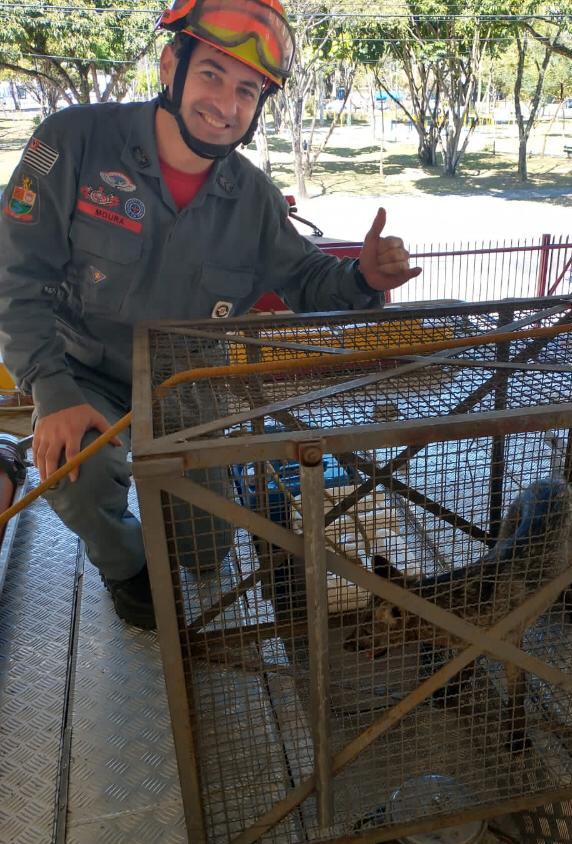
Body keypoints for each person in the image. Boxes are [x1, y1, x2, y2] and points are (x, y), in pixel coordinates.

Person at [0, 0, 421, 630]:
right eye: (212, 76)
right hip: (83, 369)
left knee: (206, 556)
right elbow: (15, 274)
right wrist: (51, 390)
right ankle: (124, 568)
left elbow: (309, 280)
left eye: (247, 91)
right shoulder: (74, 143)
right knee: (74, 471)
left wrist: (363, 277)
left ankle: (182, 525)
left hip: (186, 385)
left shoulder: (250, 198)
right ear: (173, 65)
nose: (226, 105)